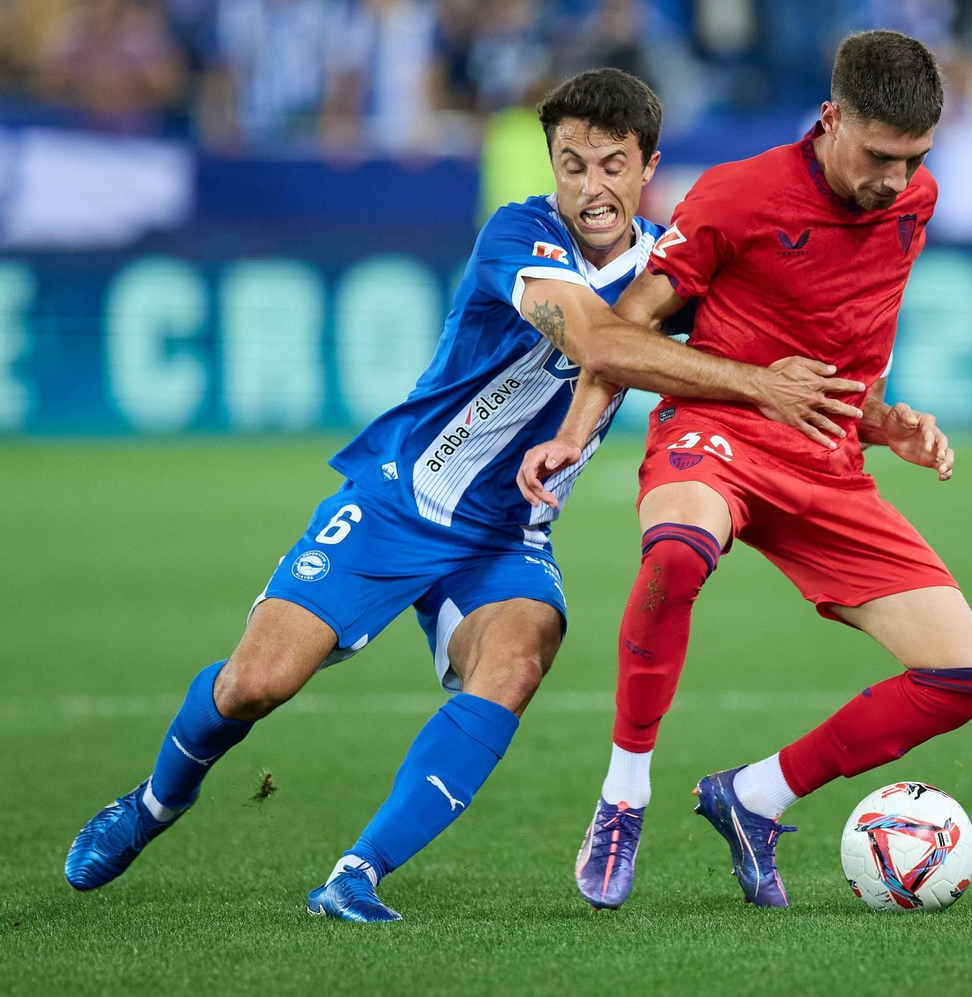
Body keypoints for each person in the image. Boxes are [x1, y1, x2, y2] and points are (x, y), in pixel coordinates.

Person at [63, 67, 861, 924]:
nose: (592, 187)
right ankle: (154, 804)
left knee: (517, 660)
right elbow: (597, 339)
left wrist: (876, 416)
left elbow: (780, 350)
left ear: (648, 165)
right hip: (400, 502)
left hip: (509, 535)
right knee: (257, 683)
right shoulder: (519, 233)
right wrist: (749, 380)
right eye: (573, 164)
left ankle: (356, 875)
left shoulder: (673, 264)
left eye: (612, 165)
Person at [519, 31, 972, 911]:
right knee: (674, 554)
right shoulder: (738, 196)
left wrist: (887, 424)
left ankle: (754, 798)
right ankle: (624, 796)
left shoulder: (913, 203)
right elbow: (624, 330)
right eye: (881, 155)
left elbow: (849, 357)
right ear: (830, 119)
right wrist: (575, 432)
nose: (897, 179)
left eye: (915, 159)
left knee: (964, 675)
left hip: (824, 460)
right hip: (719, 431)